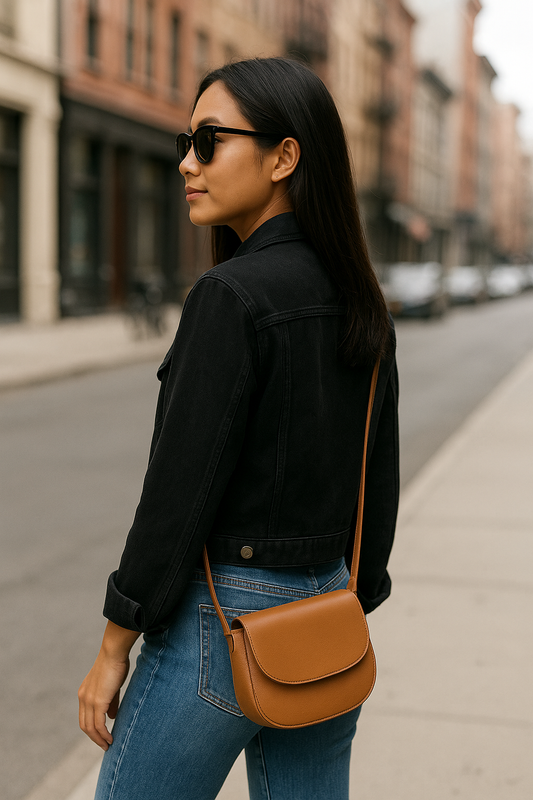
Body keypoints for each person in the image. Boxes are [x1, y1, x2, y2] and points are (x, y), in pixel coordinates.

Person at [78, 57, 399, 800]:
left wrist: (112, 646)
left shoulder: (229, 296)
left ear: (283, 156)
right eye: (185, 142)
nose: (187, 163)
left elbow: (176, 496)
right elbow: (372, 481)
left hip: (222, 625)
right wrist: (351, 596)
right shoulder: (359, 300)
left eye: (210, 141)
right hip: (326, 614)